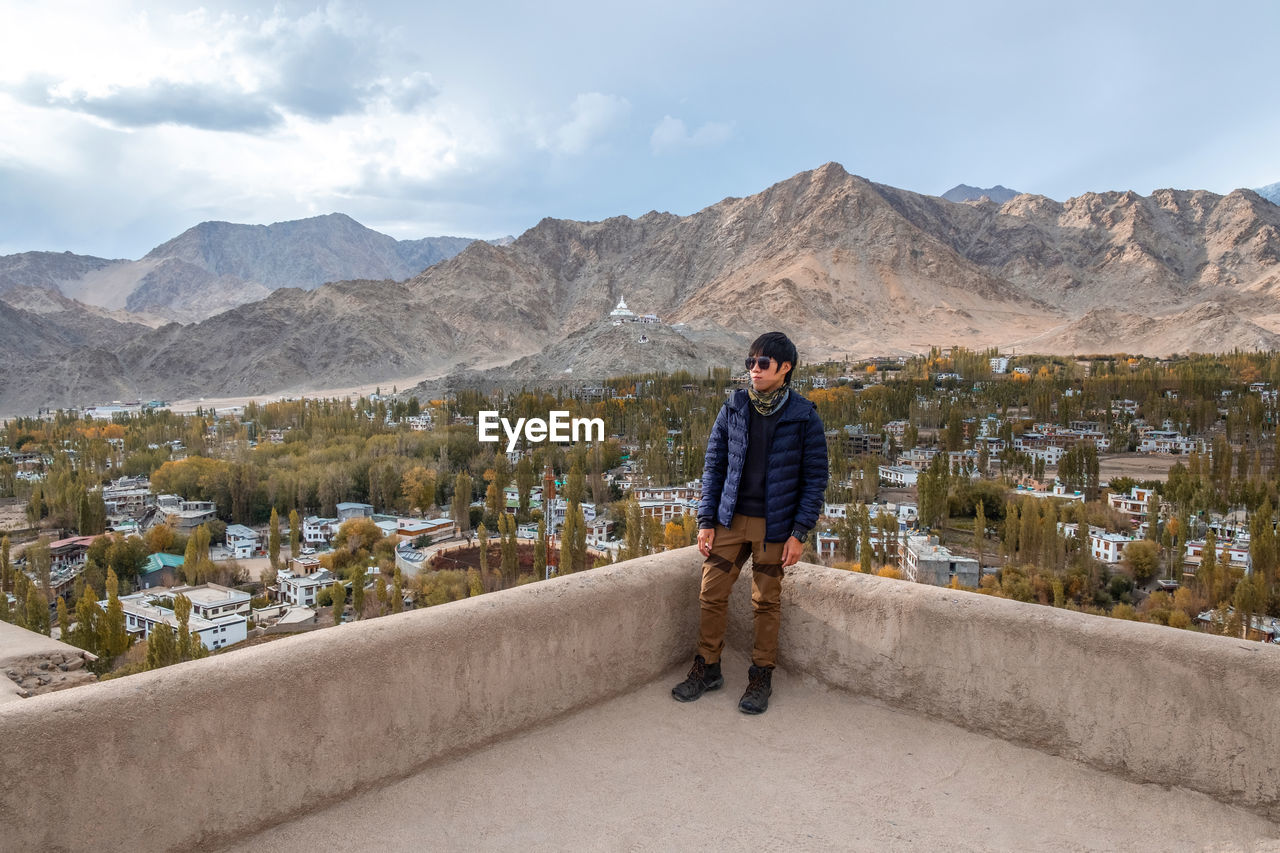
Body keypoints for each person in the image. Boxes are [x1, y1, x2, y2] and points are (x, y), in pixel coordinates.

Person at [672, 331, 828, 714]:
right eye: (750, 363)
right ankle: (707, 668)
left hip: (775, 527)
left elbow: (815, 479)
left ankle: (761, 676)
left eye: (762, 364)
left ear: (785, 368)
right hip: (729, 521)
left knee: (766, 603)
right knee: (711, 593)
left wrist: (799, 533)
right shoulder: (735, 407)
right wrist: (706, 520)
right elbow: (714, 466)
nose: (753, 371)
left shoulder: (804, 416)